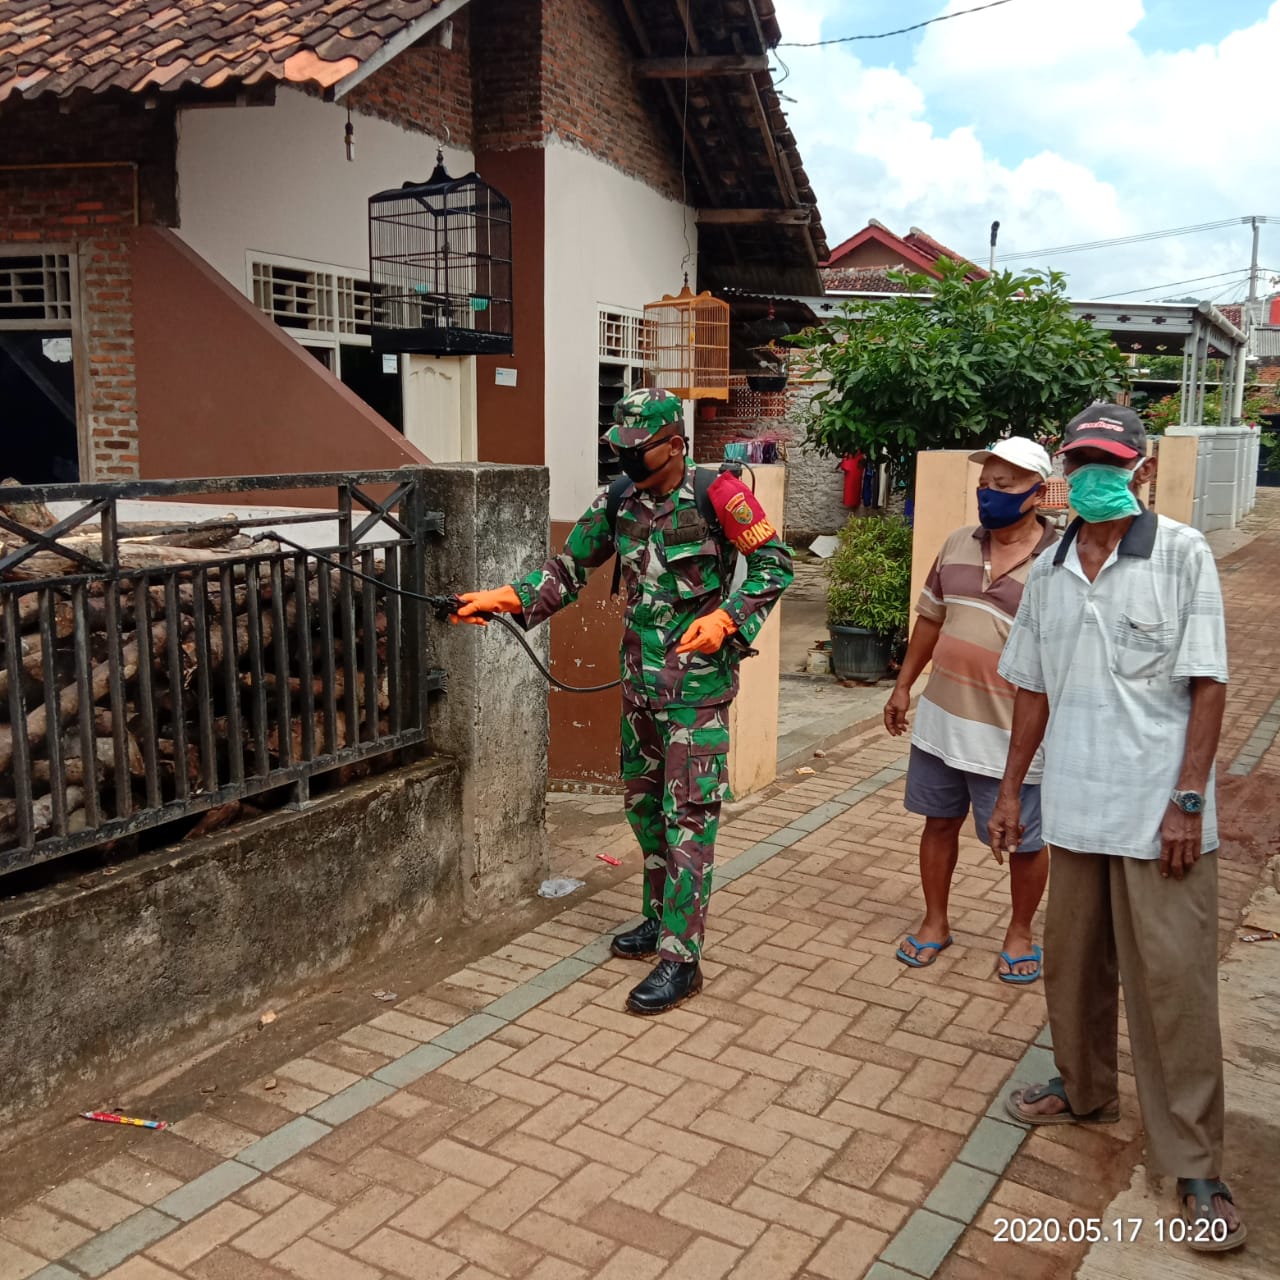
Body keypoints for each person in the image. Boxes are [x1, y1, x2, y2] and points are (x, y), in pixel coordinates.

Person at [990, 404, 1244, 1252]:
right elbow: (1032, 688)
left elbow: (1207, 683)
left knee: (1173, 989)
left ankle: (1196, 1161)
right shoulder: (1053, 568)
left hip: (1160, 818)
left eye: (1111, 461)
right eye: (1081, 460)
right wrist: (1009, 790)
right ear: (1065, 469)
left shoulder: (1179, 553)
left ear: (1139, 469)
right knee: (1072, 967)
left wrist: (1188, 799)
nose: (1095, 474)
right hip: (1075, 810)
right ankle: (1084, 1086)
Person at [454, 388, 793, 1015]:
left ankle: (681, 960)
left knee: (688, 817)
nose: (628, 461)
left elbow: (775, 564)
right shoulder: (619, 500)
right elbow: (567, 569)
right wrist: (507, 597)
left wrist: (728, 618)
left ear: (675, 446)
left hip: (696, 692)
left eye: (638, 451)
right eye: (622, 450)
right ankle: (657, 918)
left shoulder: (719, 493)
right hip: (639, 684)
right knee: (644, 813)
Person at [884, 437, 1057, 981]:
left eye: (1004, 486)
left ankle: (1020, 931)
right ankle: (935, 922)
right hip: (941, 723)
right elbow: (932, 619)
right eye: (985, 485)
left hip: (1014, 733)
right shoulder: (958, 542)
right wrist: (903, 686)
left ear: (1037, 491)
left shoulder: (1061, 561)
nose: (990, 495)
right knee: (939, 823)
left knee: (1023, 840)